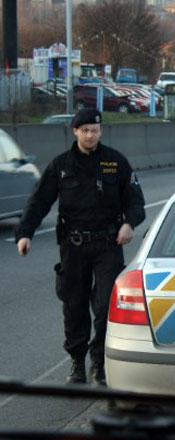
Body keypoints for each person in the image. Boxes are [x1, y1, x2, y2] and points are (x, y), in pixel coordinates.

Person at [15, 109, 146, 386]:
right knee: (74, 306)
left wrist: (129, 224)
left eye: (95, 130)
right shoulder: (61, 166)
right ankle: (77, 361)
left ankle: (99, 363)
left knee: (104, 306)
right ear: (75, 131)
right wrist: (24, 234)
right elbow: (39, 202)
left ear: (100, 131)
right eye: (85, 130)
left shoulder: (115, 162)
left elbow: (135, 201)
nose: (90, 135)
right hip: (73, 247)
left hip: (108, 244)